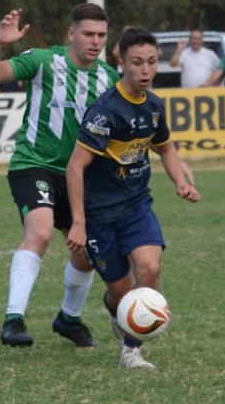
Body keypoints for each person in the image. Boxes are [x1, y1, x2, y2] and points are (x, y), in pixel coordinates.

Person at [0, 4, 119, 348]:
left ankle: (68, 319)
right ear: (71, 34)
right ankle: (13, 320)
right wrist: (0, 44)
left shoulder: (109, 79)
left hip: (79, 176)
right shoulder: (43, 60)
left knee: (87, 252)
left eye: (101, 35)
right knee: (39, 233)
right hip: (34, 164)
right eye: (88, 34)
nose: (95, 41)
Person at [66, 28, 200, 369]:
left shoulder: (154, 106)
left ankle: (131, 352)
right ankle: (117, 309)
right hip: (98, 214)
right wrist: (79, 223)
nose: (145, 70)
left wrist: (180, 181)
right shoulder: (105, 111)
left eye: (152, 62)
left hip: (136, 205)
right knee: (123, 295)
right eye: (137, 62)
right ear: (121, 62)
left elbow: (165, 147)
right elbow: (75, 169)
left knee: (150, 270)